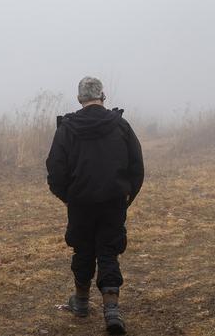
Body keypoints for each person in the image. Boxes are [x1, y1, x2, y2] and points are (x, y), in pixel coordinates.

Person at [46, 76, 145, 335]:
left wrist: (69, 197)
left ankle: (80, 303)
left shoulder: (67, 129)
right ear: (103, 95)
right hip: (114, 201)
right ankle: (111, 311)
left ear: (79, 98)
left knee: (83, 249)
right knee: (108, 251)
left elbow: (55, 170)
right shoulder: (120, 125)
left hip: (81, 202)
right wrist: (127, 197)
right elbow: (137, 167)